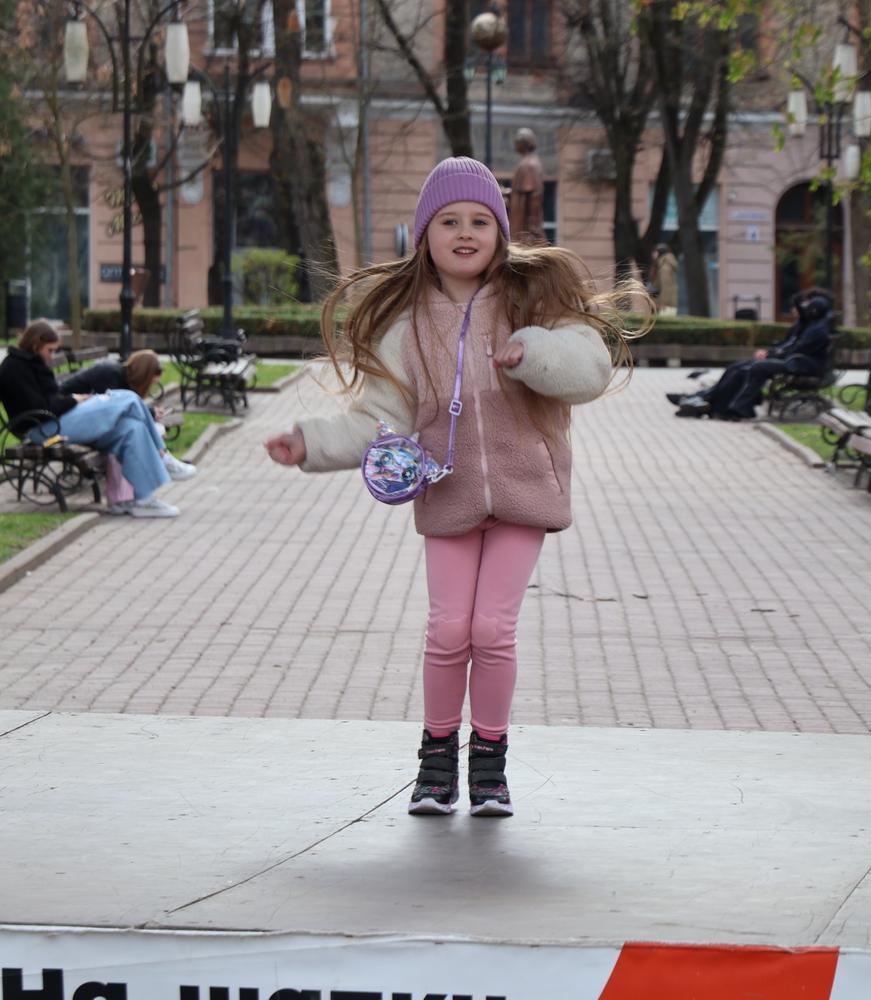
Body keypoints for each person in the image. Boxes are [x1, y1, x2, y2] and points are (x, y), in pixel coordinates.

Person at [264, 156, 636, 818]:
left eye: (478, 221)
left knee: (492, 629)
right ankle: (436, 764)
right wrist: (309, 444)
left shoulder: (534, 301)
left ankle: (489, 764)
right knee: (447, 629)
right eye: (448, 221)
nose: (464, 233)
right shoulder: (404, 321)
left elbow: (589, 367)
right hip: (448, 491)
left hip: (524, 490)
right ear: (423, 235)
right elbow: (379, 419)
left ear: (498, 230)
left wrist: (534, 353)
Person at [0, 321, 191, 518]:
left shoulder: (32, 363)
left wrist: (71, 401)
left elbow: (49, 401)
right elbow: (41, 408)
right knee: (129, 398)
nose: (51, 356)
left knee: (132, 428)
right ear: (36, 343)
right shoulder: (14, 367)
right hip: (41, 429)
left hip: (52, 422)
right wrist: (74, 400)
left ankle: (143, 500)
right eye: (50, 350)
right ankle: (163, 456)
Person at [59, 349, 198, 504]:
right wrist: (150, 414)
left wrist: (150, 414)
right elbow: (109, 412)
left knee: (137, 427)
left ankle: (144, 491)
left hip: (86, 421)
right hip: (70, 420)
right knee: (135, 429)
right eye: (151, 382)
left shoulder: (121, 377)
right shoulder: (110, 374)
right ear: (144, 375)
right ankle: (162, 460)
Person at [671, 289, 835, 420]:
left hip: (799, 364)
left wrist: (774, 354)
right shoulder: (812, 325)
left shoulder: (817, 329)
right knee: (738, 367)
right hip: (795, 362)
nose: (800, 310)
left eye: (806, 307)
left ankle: (731, 406)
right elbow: (792, 346)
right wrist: (774, 353)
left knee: (754, 367)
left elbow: (797, 349)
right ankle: (712, 402)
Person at [506, 128, 547, 245]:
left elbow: (531, 198)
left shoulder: (528, 165)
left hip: (524, 228)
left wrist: (532, 229)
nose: (515, 144)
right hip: (523, 226)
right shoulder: (528, 162)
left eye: (517, 141)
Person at [650, 243, 678, 317]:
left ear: (659, 252)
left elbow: (666, 287)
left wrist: (663, 303)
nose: (652, 255)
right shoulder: (662, 265)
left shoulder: (665, 267)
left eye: (654, 252)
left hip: (664, 307)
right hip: (665, 305)